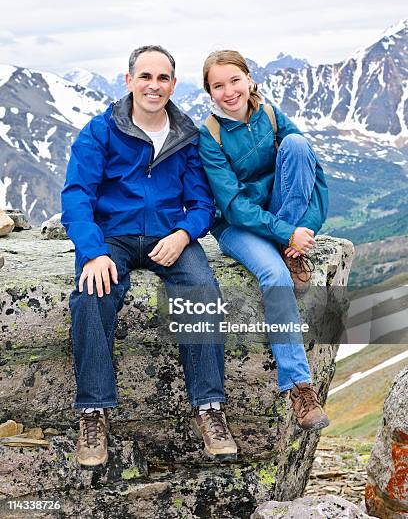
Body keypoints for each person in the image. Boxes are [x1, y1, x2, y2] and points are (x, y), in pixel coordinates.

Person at [61, 45, 238, 466]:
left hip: (168, 236)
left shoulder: (187, 135)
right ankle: (93, 412)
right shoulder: (100, 131)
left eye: (162, 79)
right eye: (145, 77)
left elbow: (201, 204)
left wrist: (183, 234)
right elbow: (77, 197)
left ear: (173, 85)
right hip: (112, 236)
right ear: (129, 81)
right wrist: (92, 252)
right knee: (92, 295)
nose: (153, 86)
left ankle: (210, 409)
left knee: (201, 290)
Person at [198, 50, 330, 431]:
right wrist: (287, 234)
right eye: (218, 86)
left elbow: (313, 175)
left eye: (234, 81)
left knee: (299, 146)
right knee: (275, 277)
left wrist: (305, 228)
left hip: (278, 216)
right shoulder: (210, 136)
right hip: (238, 227)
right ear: (209, 92)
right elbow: (235, 207)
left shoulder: (270, 114)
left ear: (249, 79)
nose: (229, 91)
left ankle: (288, 251)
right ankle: (300, 388)